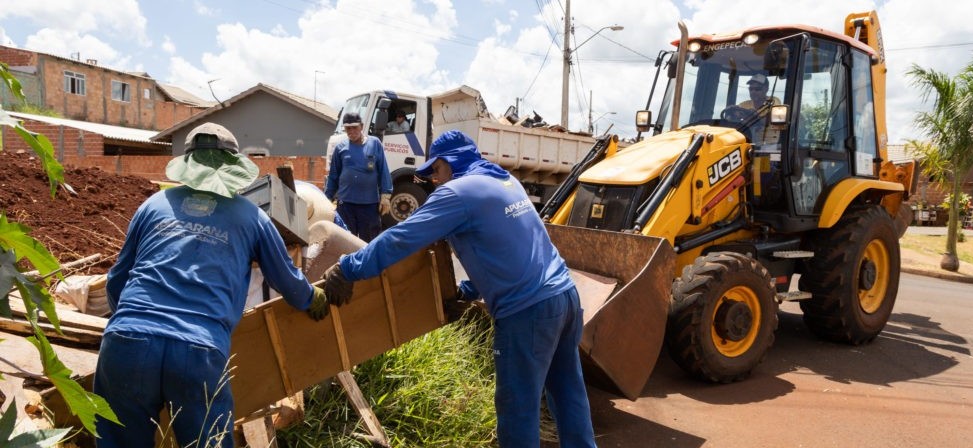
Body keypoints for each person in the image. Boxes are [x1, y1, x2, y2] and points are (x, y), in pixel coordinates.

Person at [319, 130, 597, 447]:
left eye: (435, 170)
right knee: (568, 393)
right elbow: (503, 247)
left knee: (518, 408)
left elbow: (402, 239)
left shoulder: (457, 194)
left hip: (527, 312)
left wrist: (349, 268)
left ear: (451, 163)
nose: (434, 180)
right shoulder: (503, 180)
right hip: (565, 298)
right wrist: (467, 290)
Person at [95, 123, 338, 447]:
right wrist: (314, 298)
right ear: (232, 169)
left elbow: (117, 279)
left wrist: (130, 324)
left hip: (127, 344)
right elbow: (287, 282)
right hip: (197, 351)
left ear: (188, 166)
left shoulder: (153, 206)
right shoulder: (251, 217)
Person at [325, 112, 393, 241]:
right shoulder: (340, 148)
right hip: (346, 205)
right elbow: (333, 176)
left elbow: (383, 170)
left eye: (354, 127)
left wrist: (386, 195)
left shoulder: (375, 144)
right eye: (348, 128)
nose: (351, 131)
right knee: (345, 241)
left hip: (369, 205)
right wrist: (327, 198)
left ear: (361, 126)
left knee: (368, 242)